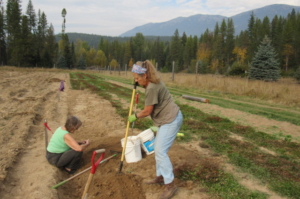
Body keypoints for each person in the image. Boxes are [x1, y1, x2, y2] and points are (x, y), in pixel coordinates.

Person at [128, 60, 183, 199]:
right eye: (134, 78)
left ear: (145, 75)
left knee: (160, 151)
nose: (136, 80)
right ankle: (161, 177)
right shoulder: (152, 83)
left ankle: (170, 185)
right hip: (165, 119)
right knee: (158, 149)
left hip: (170, 120)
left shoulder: (152, 87)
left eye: (137, 78)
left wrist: (135, 116)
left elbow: (147, 111)